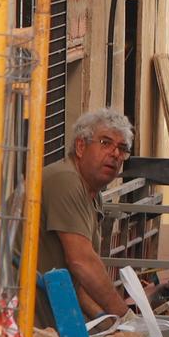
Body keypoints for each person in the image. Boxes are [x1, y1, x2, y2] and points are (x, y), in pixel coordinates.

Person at [37, 108, 134, 324]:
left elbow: (77, 280)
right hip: (21, 318)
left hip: (50, 311)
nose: (115, 154)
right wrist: (127, 318)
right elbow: (82, 263)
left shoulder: (92, 193)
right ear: (81, 146)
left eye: (122, 148)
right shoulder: (65, 181)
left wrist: (105, 318)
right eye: (105, 143)